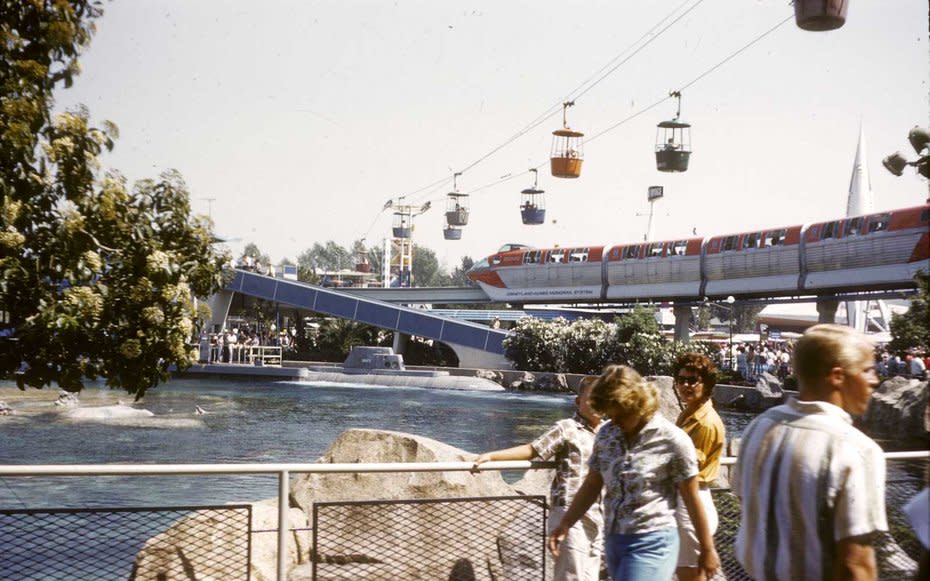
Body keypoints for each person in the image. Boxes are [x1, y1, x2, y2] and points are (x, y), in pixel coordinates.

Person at [733, 324, 887, 580]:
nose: (875, 379)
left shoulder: (759, 427)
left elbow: (746, 501)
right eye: (867, 369)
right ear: (837, 376)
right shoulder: (856, 449)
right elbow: (856, 565)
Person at [547, 365, 719, 581]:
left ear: (636, 403)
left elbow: (692, 498)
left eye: (618, 413)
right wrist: (566, 523)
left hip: (654, 540)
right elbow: (592, 484)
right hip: (614, 540)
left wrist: (707, 548)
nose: (612, 419)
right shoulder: (606, 435)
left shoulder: (672, 440)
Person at [473, 377, 603, 580]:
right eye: (592, 398)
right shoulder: (567, 428)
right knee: (571, 576)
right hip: (569, 512)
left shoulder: (607, 433)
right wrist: (492, 456)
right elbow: (533, 449)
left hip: (597, 515)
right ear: (578, 402)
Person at [671, 353, 725, 581]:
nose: (685, 385)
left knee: (692, 576)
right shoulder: (689, 413)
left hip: (691, 504)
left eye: (692, 380)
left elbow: (687, 469)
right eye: (681, 379)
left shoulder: (705, 422)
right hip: (685, 501)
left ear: (707, 383)